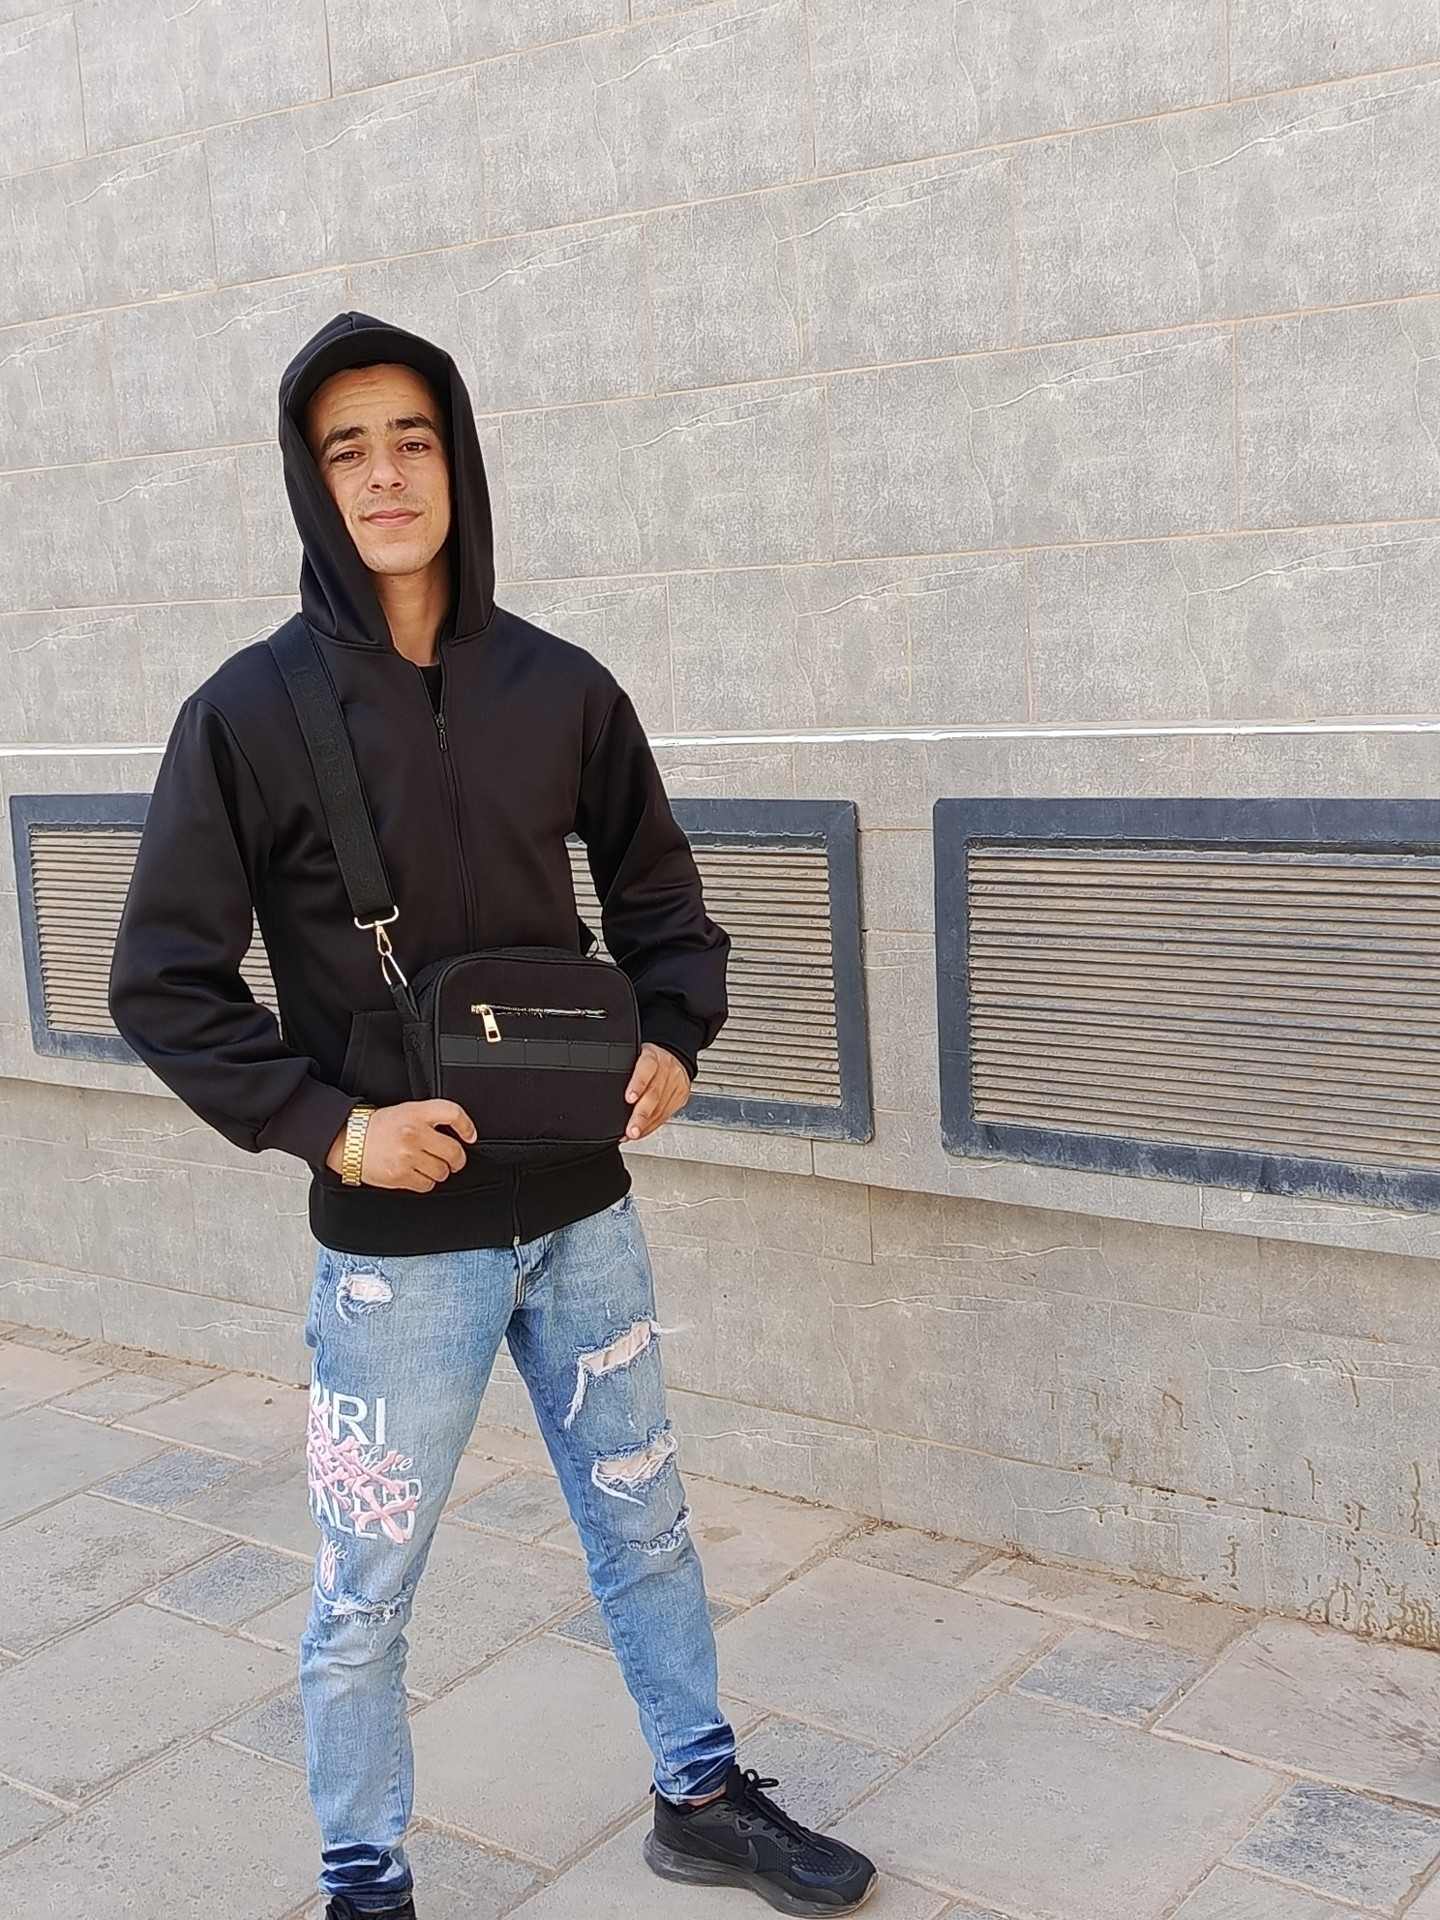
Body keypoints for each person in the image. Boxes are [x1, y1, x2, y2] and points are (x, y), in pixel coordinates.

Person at [109, 313, 877, 1920]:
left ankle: (701, 1794)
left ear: (455, 457)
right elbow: (162, 982)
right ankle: (364, 1880)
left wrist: (676, 1033)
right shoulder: (248, 713)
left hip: (583, 1210)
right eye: (348, 448)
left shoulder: (561, 685)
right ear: (313, 481)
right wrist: (335, 1130)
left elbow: (659, 893)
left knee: (647, 1526)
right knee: (365, 1591)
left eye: (412, 438)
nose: (385, 473)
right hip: (400, 1247)